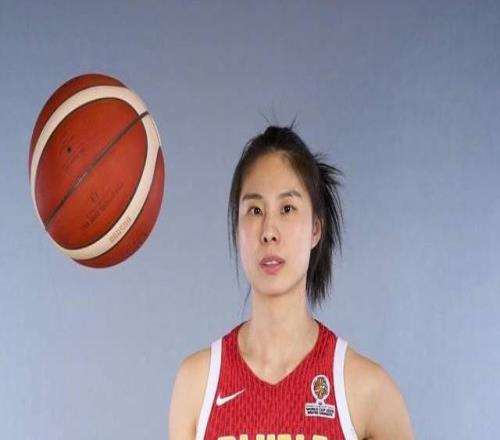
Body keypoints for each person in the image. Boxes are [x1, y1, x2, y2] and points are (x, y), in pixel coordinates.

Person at [169, 125, 414, 439]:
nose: (269, 231)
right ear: (236, 228)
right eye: (255, 210)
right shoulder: (197, 386)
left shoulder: (368, 391)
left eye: (287, 209)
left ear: (315, 229)